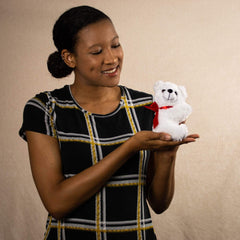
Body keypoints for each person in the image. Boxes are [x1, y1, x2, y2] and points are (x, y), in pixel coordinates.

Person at [19, 5, 199, 240]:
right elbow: (57, 203)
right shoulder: (46, 108)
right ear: (69, 57)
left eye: (115, 45)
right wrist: (130, 147)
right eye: (96, 51)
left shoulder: (147, 106)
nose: (112, 58)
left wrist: (168, 153)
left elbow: (159, 203)